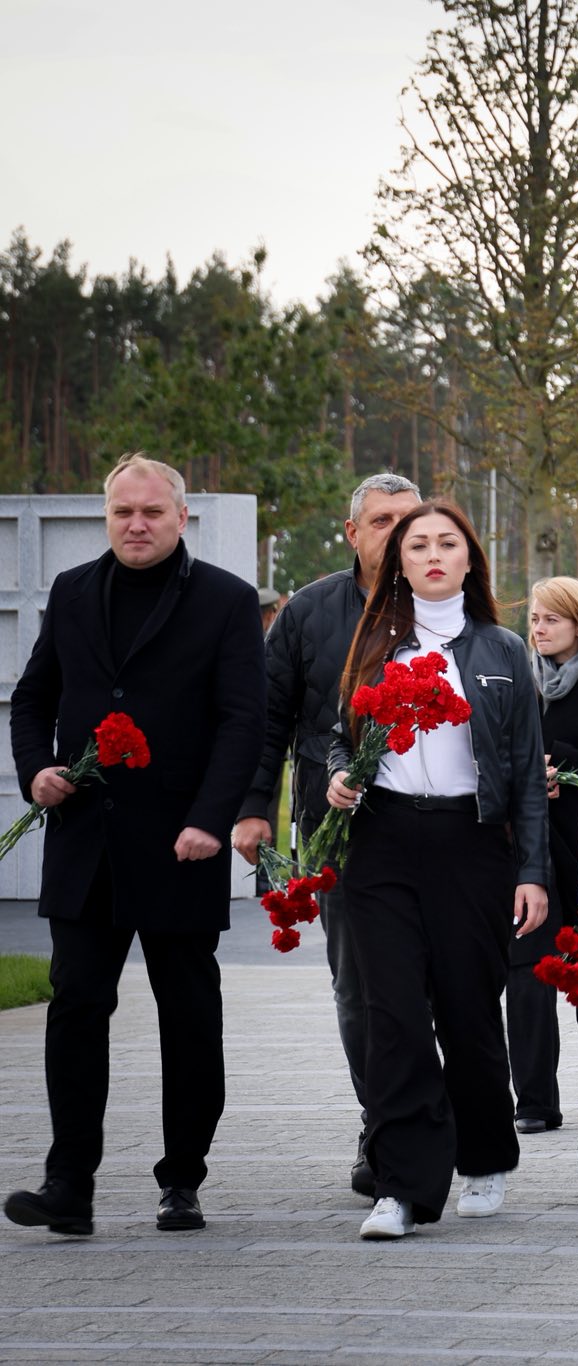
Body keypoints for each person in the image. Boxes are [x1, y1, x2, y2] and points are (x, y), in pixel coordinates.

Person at [4, 454, 265, 1237]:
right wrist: (37, 771)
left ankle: (182, 1179)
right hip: (87, 841)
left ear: (181, 517)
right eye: (123, 512)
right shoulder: (72, 591)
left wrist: (211, 818)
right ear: (107, 516)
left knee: (189, 1016)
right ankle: (68, 1184)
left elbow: (242, 721)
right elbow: (34, 699)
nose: (137, 524)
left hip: (182, 843)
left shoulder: (226, 600)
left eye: (152, 512)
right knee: (76, 1005)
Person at [325, 500, 550, 1240]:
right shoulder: (372, 644)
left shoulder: (504, 650)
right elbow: (338, 735)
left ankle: (484, 1157)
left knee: (467, 1011)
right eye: (416, 544)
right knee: (392, 1017)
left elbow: (525, 774)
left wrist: (532, 872)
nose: (430, 555)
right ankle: (403, 1187)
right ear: (398, 562)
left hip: (470, 843)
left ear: (468, 559)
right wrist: (338, 775)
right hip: (381, 843)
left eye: (446, 543)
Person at [233, 472, 423, 1197]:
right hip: (338, 831)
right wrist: (255, 807)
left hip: (439, 832)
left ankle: (429, 1117)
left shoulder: (449, 608)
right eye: (381, 521)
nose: (398, 534)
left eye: (409, 519)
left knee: (436, 984)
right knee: (359, 988)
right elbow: (267, 719)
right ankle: (384, 1128)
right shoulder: (308, 613)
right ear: (352, 532)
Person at [506, 576, 578, 1134]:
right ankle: (533, 1100)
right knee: (527, 973)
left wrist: (566, 775)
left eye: (552, 619)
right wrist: (525, 781)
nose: (539, 628)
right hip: (527, 853)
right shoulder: (516, 683)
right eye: (534, 619)